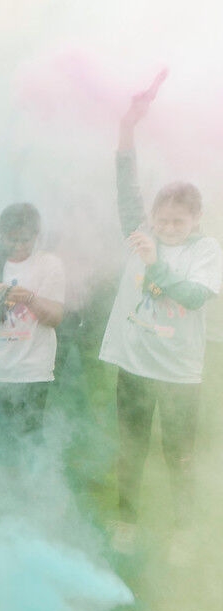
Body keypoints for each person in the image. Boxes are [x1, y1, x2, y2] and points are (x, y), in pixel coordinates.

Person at [98, 72, 222, 560]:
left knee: (179, 455)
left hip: (179, 374)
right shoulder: (140, 229)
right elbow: (125, 181)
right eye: (162, 220)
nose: (168, 228)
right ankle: (125, 519)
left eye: (178, 221)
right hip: (135, 366)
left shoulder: (206, 250)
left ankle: (183, 532)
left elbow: (193, 296)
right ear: (152, 216)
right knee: (130, 449)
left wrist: (154, 262)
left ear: (195, 220)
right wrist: (128, 124)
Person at [0, 203, 65, 466]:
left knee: (31, 435)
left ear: (36, 236)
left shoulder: (49, 265)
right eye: (12, 239)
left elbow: (55, 319)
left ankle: (36, 490)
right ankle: (12, 493)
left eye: (25, 240)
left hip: (33, 369)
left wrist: (29, 298)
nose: (19, 246)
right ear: (1, 235)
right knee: (4, 437)